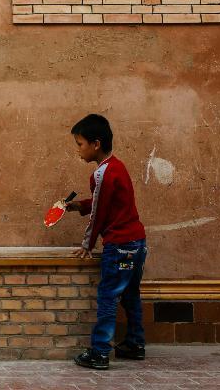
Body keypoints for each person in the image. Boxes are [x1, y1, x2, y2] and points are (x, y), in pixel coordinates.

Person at [65, 114, 147, 370]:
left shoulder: (102, 174)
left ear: (95, 144)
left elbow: (100, 213)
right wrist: (80, 206)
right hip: (137, 243)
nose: (78, 150)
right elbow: (106, 204)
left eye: (80, 144)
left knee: (108, 296)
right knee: (130, 295)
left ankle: (100, 352)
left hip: (119, 246)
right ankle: (135, 344)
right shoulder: (117, 167)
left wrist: (87, 244)